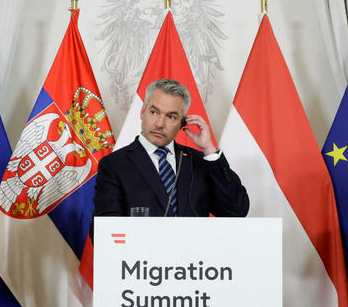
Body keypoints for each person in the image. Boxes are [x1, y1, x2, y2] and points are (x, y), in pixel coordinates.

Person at [93, 78, 249, 218]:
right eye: (154, 112)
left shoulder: (200, 163)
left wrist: (209, 150)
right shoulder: (115, 164)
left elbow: (236, 210)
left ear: (182, 122)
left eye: (171, 117)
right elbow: (104, 233)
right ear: (143, 112)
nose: (160, 124)